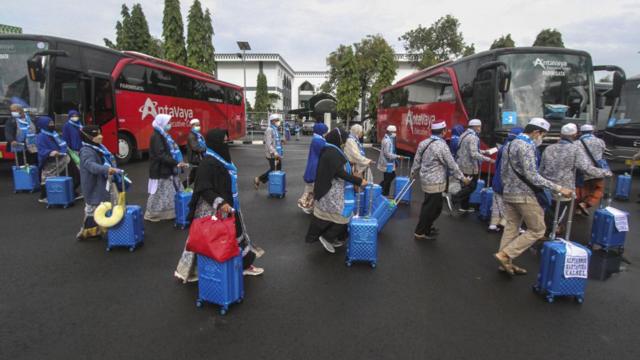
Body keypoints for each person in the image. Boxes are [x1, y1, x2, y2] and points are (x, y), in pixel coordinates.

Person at [175, 129, 264, 282]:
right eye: (223, 141)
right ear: (216, 143)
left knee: (233, 236)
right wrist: (220, 203)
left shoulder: (223, 160)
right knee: (208, 241)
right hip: (213, 209)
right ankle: (200, 271)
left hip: (229, 205)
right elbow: (204, 188)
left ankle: (242, 265)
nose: (226, 144)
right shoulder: (208, 163)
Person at [493, 118, 573, 276]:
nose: (541, 138)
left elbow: (503, 172)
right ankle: (505, 255)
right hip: (524, 195)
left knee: (511, 228)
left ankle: (505, 263)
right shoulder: (526, 146)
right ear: (536, 132)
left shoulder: (509, 144)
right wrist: (558, 187)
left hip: (509, 193)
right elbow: (533, 176)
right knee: (538, 229)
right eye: (542, 134)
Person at [540, 123, 612, 236]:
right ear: (575, 135)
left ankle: (546, 231)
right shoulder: (575, 149)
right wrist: (605, 172)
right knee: (558, 215)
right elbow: (586, 168)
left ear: (561, 134)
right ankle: (550, 234)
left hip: (547, 187)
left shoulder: (548, 148)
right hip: (565, 189)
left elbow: (541, 168)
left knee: (548, 210)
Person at [305, 128, 367, 253]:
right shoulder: (332, 151)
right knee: (343, 216)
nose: (344, 142)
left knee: (329, 216)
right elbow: (339, 172)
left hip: (332, 190)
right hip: (331, 192)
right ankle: (327, 237)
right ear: (338, 139)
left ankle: (333, 237)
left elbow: (338, 166)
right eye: (343, 140)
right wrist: (359, 181)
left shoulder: (331, 149)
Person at [411, 121, 470, 240]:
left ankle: (426, 227)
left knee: (434, 206)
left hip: (426, 180)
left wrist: (413, 173)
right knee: (432, 207)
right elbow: (451, 164)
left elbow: (417, 160)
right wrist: (463, 178)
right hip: (436, 182)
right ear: (443, 132)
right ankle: (420, 231)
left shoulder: (423, 143)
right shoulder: (441, 146)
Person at [76, 125, 120, 240]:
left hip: (102, 181)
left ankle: (96, 230)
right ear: (88, 137)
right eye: (96, 135)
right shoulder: (86, 151)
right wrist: (106, 169)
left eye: (100, 133)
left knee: (101, 205)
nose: (100, 136)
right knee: (93, 207)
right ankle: (87, 232)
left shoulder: (98, 147)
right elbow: (91, 166)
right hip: (93, 184)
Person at [144, 114, 188, 222]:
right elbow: (161, 154)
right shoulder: (157, 136)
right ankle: (153, 214)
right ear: (162, 123)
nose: (169, 125)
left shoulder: (164, 135)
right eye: (168, 123)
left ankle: (170, 213)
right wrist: (176, 162)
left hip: (167, 169)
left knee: (170, 192)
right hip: (160, 170)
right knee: (159, 194)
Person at [35, 116, 82, 203]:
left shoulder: (54, 133)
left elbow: (62, 143)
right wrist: (51, 152)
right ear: (44, 125)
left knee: (75, 175)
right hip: (51, 161)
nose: (52, 125)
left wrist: (63, 149)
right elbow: (41, 149)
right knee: (49, 178)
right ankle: (44, 196)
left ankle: (70, 192)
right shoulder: (41, 136)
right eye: (50, 124)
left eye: (52, 123)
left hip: (63, 158)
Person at [488, 127, 523, 233]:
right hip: (511, 182)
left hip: (498, 179)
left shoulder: (503, 148)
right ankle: (504, 222)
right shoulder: (519, 149)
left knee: (497, 202)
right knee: (510, 204)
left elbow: (497, 164)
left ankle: (493, 224)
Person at [454, 119, 494, 212]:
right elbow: (474, 154)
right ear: (475, 127)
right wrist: (488, 159)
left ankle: (464, 206)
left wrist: (484, 152)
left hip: (461, 164)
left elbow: (470, 150)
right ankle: (455, 197)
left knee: (465, 185)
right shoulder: (473, 137)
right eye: (479, 126)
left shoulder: (464, 134)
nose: (480, 128)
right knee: (472, 186)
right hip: (470, 166)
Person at [575, 124, 608, 215]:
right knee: (598, 189)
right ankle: (586, 204)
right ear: (593, 131)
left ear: (581, 132)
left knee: (581, 190)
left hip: (582, 171)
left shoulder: (577, 143)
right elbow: (603, 152)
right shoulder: (600, 141)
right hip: (597, 171)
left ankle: (577, 207)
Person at [298, 122, 329, 214]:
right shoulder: (319, 141)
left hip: (312, 165)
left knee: (310, 189)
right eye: (325, 131)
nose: (326, 133)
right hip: (316, 167)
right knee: (312, 189)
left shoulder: (316, 139)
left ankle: (308, 206)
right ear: (321, 131)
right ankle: (307, 206)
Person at [254, 113, 283, 189]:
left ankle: (277, 186)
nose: (278, 122)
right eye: (277, 120)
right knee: (274, 170)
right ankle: (260, 179)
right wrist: (275, 152)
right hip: (272, 154)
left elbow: (276, 141)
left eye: (278, 120)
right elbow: (268, 143)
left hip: (277, 154)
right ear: (272, 121)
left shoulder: (275, 129)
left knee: (278, 169)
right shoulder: (269, 130)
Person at [377, 125, 400, 196]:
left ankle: (385, 193)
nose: (395, 133)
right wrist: (398, 156)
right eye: (394, 132)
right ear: (390, 132)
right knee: (388, 178)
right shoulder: (387, 141)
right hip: (387, 163)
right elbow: (387, 153)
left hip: (388, 163)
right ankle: (380, 189)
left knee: (389, 177)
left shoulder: (388, 139)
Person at [185, 119, 206, 187]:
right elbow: (195, 148)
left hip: (199, 158)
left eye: (199, 125)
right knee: (197, 176)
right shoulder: (192, 136)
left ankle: (183, 187)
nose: (199, 126)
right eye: (197, 125)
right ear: (192, 126)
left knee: (195, 176)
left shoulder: (198, 135)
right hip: (195, 158)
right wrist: (206, 149)